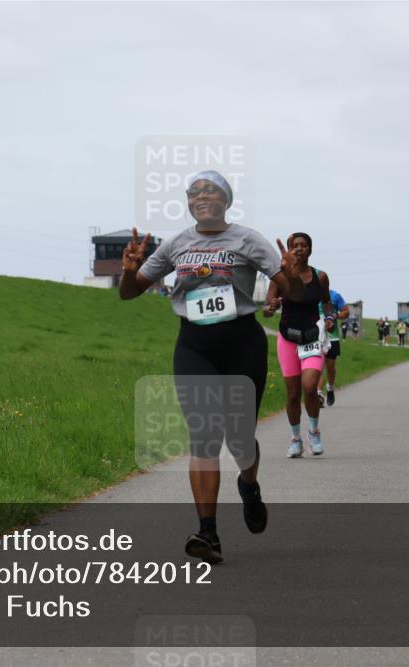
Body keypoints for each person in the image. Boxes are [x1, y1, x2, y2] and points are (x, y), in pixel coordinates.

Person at [120, 170, 304, 564]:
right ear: (188, 202)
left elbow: (294, 292)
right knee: (203, 436)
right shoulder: (177, 244)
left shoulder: (247, 239)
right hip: (194, 345)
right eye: (194, 192)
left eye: (211, 190)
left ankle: (249, 487)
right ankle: (208, 533)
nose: (202, 196)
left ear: (226, 200)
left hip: (242, 344)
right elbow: (130, 291)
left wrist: (291, 277)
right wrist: (129, 271)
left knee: (239, 439)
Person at [263, 233, 330, 458]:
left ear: (311, 250)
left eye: (304, 245)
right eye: (295, 246)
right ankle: (295, 439)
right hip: (288, 338)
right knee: (293, 394)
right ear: (289, 250)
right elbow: (267, 308)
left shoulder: (320, 277)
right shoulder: (279, 277)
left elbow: (327, 303)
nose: (299, 249)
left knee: (310, 388)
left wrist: (330, 317)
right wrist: (270, 307)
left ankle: (314, 432)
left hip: (312, 338)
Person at [317, 289, 349, 407]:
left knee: (330, 367)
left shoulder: (335, 296)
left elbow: (346, 312)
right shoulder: (311, 293)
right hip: (316, 337)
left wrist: (335, 315)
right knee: (318, 367)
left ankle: (330, 388)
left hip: (332, 337)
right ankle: (319, 394)